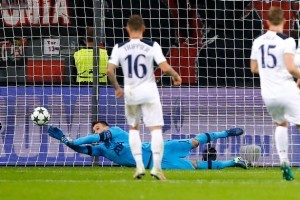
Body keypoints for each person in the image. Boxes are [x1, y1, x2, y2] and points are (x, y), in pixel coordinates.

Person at [107, 15, 182, 180]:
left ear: (127, 29)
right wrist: (175, 75)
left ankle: (139, 166)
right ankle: (156, 168)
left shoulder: (119, 47)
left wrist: (118, 88)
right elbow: (164, 67)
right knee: (155, 129)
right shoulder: (152, 45)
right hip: (149, 91)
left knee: (134, 129)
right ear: (144, 28)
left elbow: (109, 70)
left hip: (131, 92)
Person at [48, 121, 248, 171]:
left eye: (98, 127)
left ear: (105, 127)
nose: (97, 130)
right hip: (156, 165)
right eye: (95, 129)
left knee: (194, 142)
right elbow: (82, 149)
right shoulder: (102, 150)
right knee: (195, 167)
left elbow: (90, 139)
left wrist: (72, 140)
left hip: (159, 148)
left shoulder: (115, 131)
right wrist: (65, 141)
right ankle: (234, 162)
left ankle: (225, 133)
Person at [250, 6, 300, 181]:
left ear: (267, 21)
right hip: (286, 89)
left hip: (269, 94)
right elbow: (291, 67)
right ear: (284, 21)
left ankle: (284, 161)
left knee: (281, 124)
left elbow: (254, 68)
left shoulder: (258, 41)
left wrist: (269, 70)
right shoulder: (288, 41)